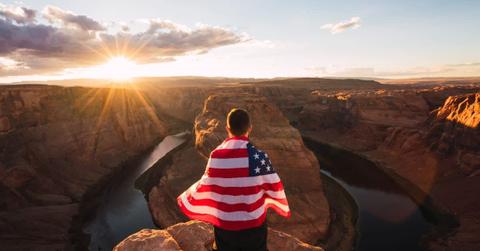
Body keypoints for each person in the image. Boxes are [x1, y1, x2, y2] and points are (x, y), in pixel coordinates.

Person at [177, 108, 290, 251]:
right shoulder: (260, 157)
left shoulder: (216, 155)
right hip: (254, 227)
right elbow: (275, 186)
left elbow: (206, 184)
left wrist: (187, 197)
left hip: (225, 227)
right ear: (250, 128)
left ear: (227, 128)